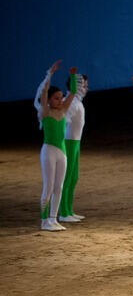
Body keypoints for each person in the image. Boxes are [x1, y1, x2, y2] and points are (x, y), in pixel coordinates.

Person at [34, 60, 79, 231]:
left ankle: (53, 218)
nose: (60, 100)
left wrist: (73, 75)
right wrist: (50, 74)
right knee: (48, 186)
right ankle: (44, 220)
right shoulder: (45, 112)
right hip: (49, 151)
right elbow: (45, 90)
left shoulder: (63, 110)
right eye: (57, 98)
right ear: (50, 100)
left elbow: (73, 92)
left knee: (59, 186)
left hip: (62, 153)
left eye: (61, 98)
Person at [58, 71, 89, 223]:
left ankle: (69, 210)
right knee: (67, 177)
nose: (86, 88)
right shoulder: (70, 103)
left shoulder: (78, 103)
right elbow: (62, 121)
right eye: (83, 85)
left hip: (75, 143)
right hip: (68, 143)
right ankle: (63, 212)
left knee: (73, 177)